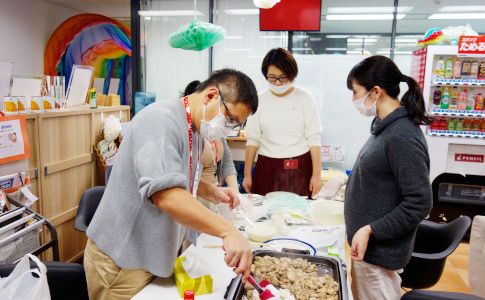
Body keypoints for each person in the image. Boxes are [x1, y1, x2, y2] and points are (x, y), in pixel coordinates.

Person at [84, 69, 258, 300]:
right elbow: (166, 196)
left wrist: (212, 191)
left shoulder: (194, 126)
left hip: (154, 254)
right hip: (123, 261)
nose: (229, 128)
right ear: (211, 96)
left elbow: (178, 175)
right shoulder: (161, 120)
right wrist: (228, 231)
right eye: (230, 119)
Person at [313, 55, 433, 300]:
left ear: (376, 91)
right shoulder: (384, 126)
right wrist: (344, 182)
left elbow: (420, 202)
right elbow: (382, 174)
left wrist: (370, 229)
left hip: (380, 254)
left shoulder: (402, 135)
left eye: (356, 92)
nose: (354, 100)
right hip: (366, 250)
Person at [242, 48, 323, 198]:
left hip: (299, 164)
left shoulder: (305, 97)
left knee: (299, 213)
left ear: (292, 75)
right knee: (265, 213)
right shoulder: (259, 100)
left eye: (283, 77)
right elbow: (252, 140)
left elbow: (314, 138)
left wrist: (317, 175)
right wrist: (247, 174)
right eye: (272, 78)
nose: (278, 83)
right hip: (267, 166)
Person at [182, 81, 253, 215]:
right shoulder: (186, 130)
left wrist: (236, 193)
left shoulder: (215, 128)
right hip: (193, 198)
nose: (228, 124)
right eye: (231, 118)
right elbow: (183, 180)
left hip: (213, 194)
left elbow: (226, 160)